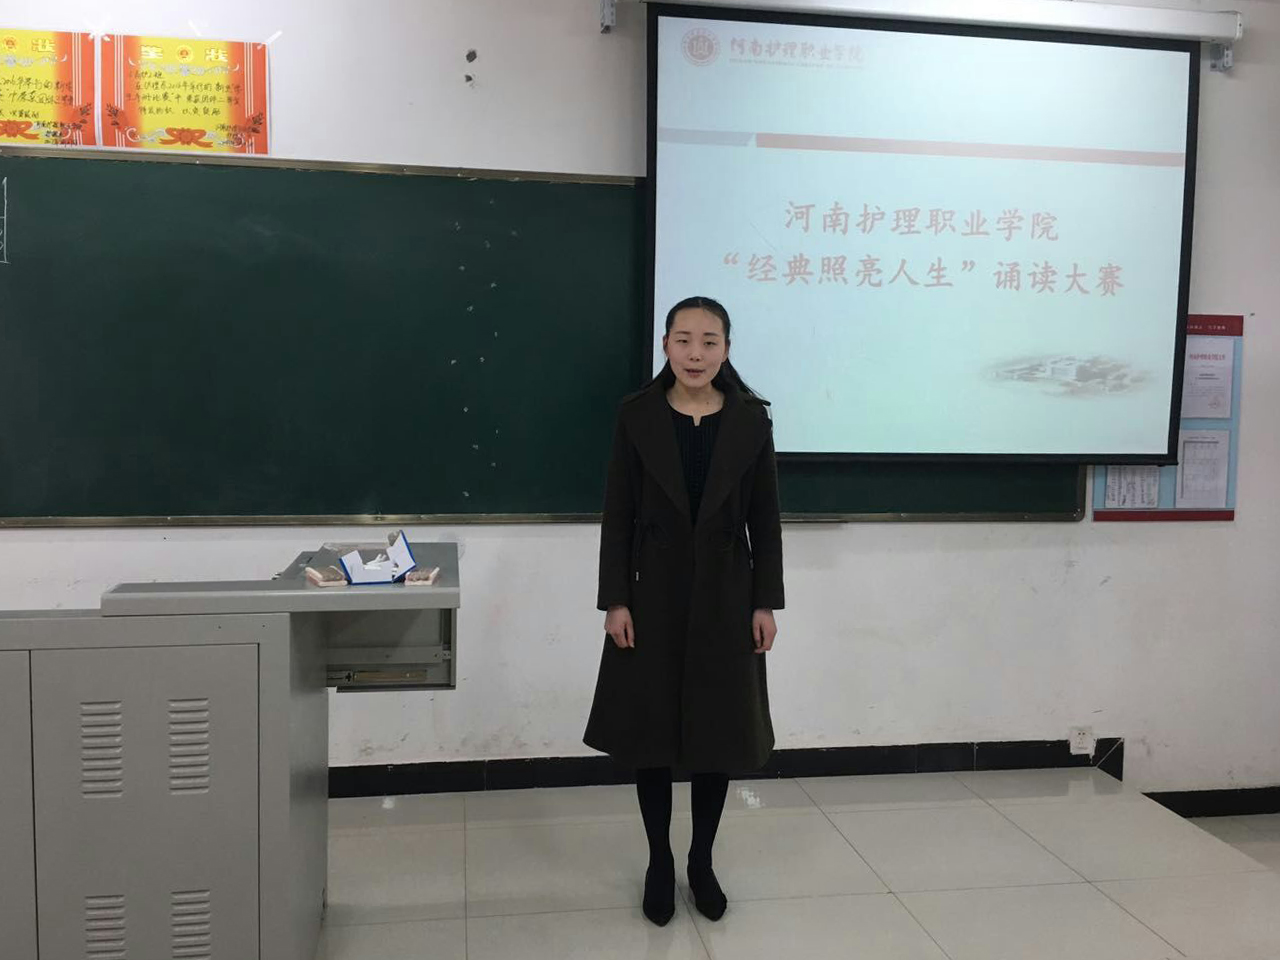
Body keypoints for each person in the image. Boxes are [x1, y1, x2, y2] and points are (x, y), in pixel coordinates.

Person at [582, 295, 785, 926]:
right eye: (684, 340)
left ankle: (701, 860)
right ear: (665, 344)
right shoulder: (637, 415)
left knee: (717, 735)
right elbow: (617, 514)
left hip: (728, 594)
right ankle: (658, 860)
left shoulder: (751, 420)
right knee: (651, 734)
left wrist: (765, 601)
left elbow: (765, 519)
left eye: (709, 341)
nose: (696, 353)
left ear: (726, 349)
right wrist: (616, 598)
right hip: (653, 594)